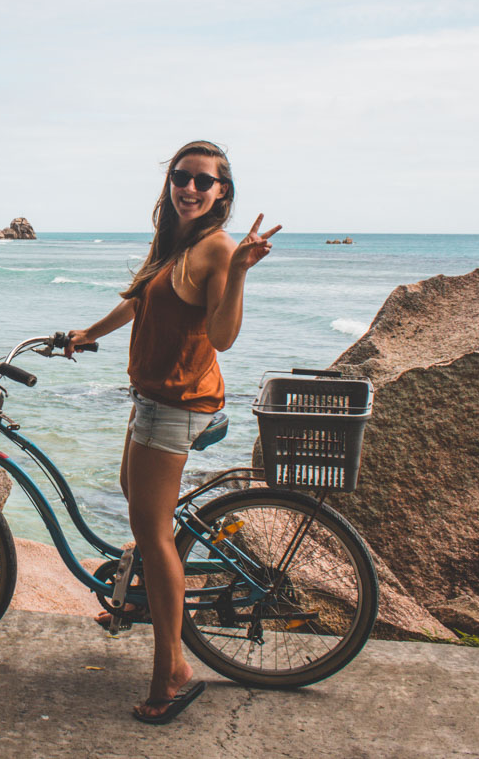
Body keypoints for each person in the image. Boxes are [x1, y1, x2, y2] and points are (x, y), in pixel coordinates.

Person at [66, 140, 278, 724]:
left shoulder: (216, 249)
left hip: (179, 404)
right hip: (152, 397)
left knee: (152, 533)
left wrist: (237, 271)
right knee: (135, 499)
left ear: (222, 193)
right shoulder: (173, 244)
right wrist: (88, 333)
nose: (189, 188)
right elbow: (137, 303)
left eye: (202, 182)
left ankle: (172, 671)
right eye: (181, 177)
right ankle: (139, 594)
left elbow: (224, 334)